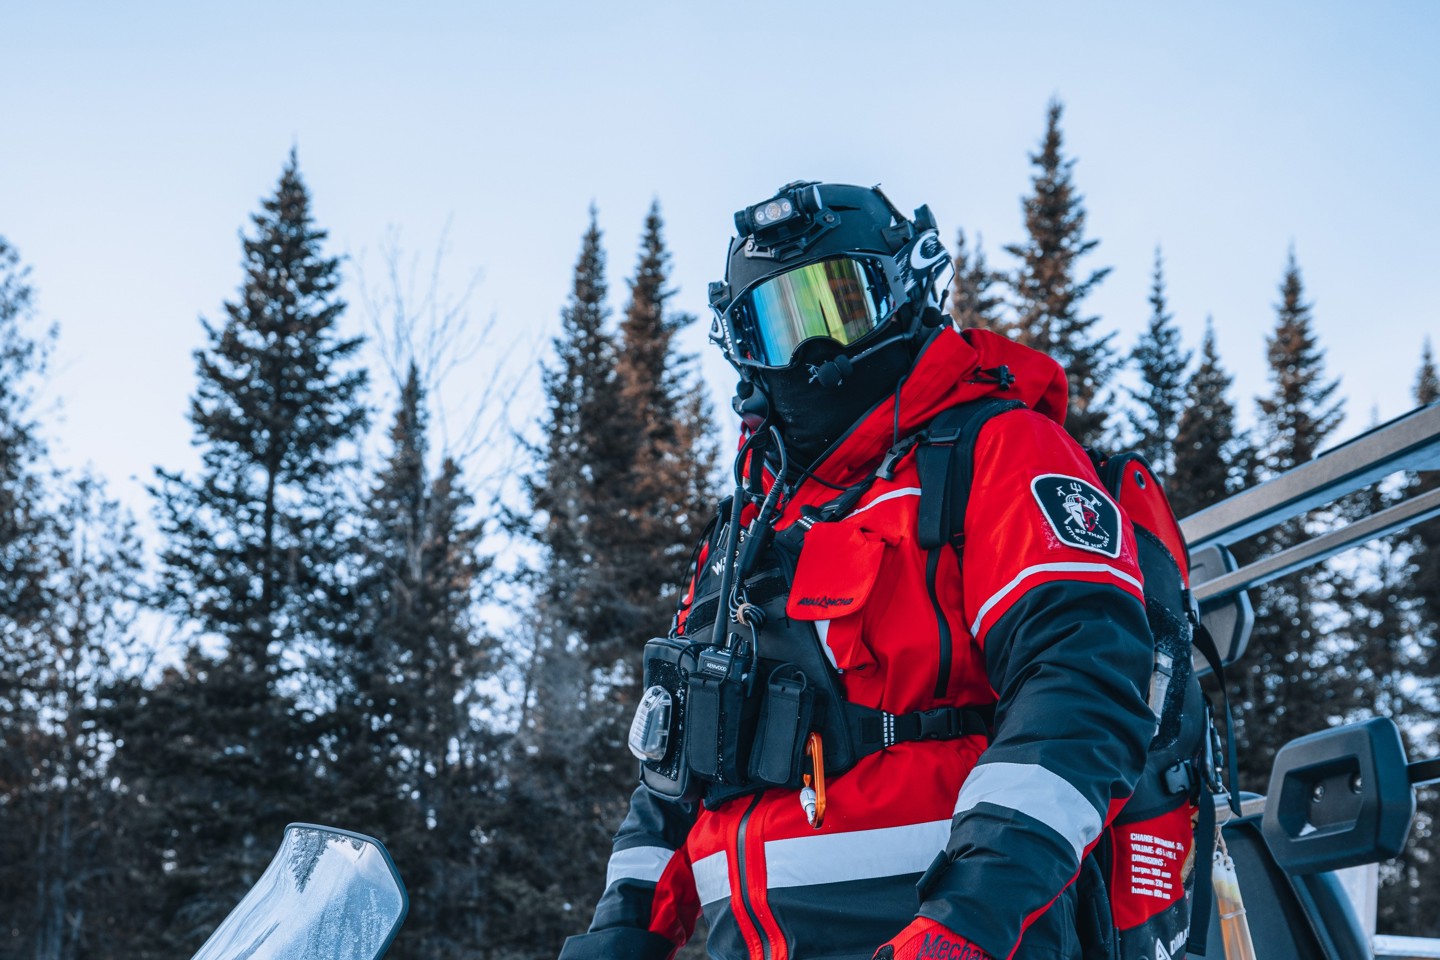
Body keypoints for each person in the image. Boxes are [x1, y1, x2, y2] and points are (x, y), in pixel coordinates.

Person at [557, 181, 1155, 960]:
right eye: (778, 325)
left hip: (950, 935)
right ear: (740, 345)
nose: (813, 350)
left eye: (840, 306)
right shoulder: (746, 530)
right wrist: (622, 933)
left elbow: (1080, 683)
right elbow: (673, 772)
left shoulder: (998, 451)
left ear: (905, 291)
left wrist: (969, 919)